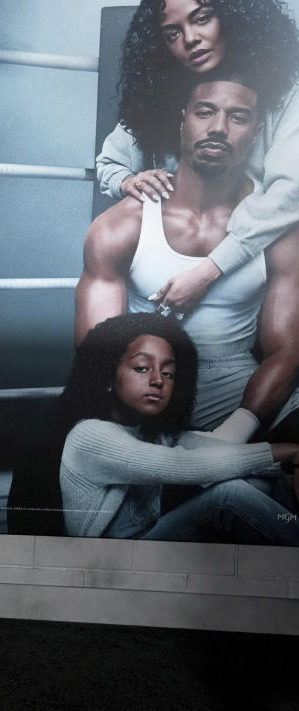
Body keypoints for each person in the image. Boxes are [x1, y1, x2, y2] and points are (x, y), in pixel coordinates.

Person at [79, 73, 299, 439]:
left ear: (257, 133)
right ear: (182, 119)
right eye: (205, 112)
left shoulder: (276, 229)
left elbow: (287, 352)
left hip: (240, 388)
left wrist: (235, 435)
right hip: (149, 383)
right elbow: (96, 351)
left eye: (238, 118)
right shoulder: (124, 223)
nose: (218, 128)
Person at [96, 0, 299, 316]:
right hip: (169, 262)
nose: (190, 38)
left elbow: (290, 194)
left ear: (234, 17)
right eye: (173, 33)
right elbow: (109, 164)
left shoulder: (285, 92)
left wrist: (210, 269)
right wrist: (128, 181)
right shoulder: (157, 93)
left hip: (256, 260)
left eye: (202, 19)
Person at [60, 313, 299, 542]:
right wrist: (285, 451)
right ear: (108, 378)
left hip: (149, 549)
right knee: (229, 495)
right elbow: (186, 465)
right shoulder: (88, 435)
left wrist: (287, 464)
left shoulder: (153, 434)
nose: (158, 381)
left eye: (168, 373)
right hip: (106, 561)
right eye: (142, 368)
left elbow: (220, 452)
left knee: (260, 485)